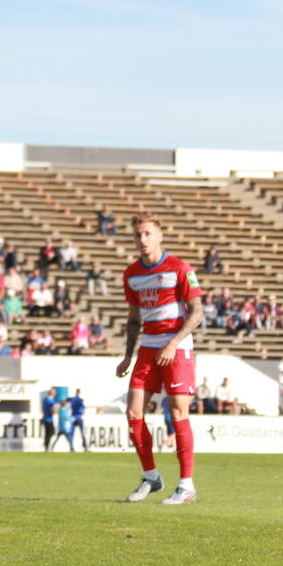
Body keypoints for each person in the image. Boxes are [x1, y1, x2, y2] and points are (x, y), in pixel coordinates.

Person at [116, 213, 204, 505]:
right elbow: (132, 319)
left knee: (179, 413)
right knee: (133, 413)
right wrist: (127, 356)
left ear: (159, 235)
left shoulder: (179, 268)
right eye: (137, 235)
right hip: (147, 349)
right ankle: (151, 476)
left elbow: (197, 312)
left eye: (147, 234)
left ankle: (186, 484)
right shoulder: (132, 274)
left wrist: (174, 342)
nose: (142, 240)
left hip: (176, 349)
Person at [40, 387, 59, 451]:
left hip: (48, 419)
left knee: (49, 433)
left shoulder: (46, 400)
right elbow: (53, 411)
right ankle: (46, 445)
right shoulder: (49, 401)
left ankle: (46, 444)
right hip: (48, 419)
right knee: (49, 433)